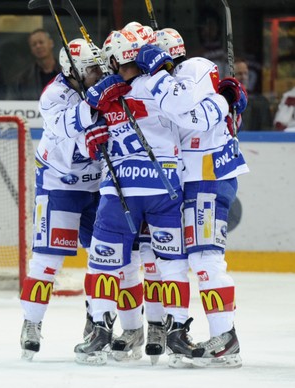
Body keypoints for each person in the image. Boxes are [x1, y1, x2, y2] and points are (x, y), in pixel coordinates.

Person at [135, 27, 249, 368]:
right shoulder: (172, 81)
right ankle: (211, 333)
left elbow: (191, 115)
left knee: (206, 261)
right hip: (195, 179)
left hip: (208, 177)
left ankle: (225, 335)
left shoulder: (193, 69)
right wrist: (225, 100)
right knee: (191, 262)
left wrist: (223, 101)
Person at [72, 29, 187, 366]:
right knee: (168, 265)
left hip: (120, 189)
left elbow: (85, 137)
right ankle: (173, 329)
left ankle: (102, 328)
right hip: (163, 186)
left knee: (105, 263)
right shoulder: (158, 85)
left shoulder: (106, 94)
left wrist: (91, 118)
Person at [19, 38, 105, 361]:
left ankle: (97, 321)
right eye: (90, 69)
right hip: (60, 186)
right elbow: (69, 128)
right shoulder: (53, 96)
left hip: (97, 188)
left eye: (98, 67)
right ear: (72, 71)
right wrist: (95, 102)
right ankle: (31, 323)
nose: (97, 73)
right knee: (47, 261)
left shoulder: (98, 85)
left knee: (103, 259)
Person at [8, 29, 61, 100]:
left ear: (51, 43)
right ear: (31, 50)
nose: (38, 46)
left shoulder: (67, 74)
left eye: (41, 42)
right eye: (34, 44)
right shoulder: (21, 80)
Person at [235, 58, 272, 131]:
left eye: (246, 73)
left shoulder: (261, 102)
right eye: (239, 74)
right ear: (229, 76)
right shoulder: (223, 102)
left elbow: (266, 131)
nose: (244, 77)